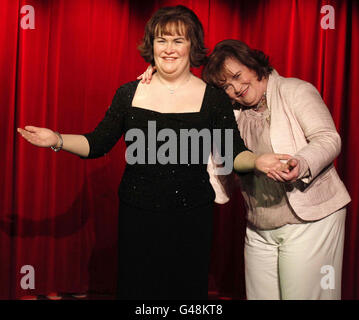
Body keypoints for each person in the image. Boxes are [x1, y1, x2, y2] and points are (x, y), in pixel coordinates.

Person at [17, 7, 292, 300]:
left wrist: (258, 161)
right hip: (138, 216)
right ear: (152, 46)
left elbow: (233, 154)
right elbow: (97, 143)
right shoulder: (129, 93)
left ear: (192, 46)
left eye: (178, 40)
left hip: (192, 219)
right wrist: (56, 139)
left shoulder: (213, 99)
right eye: (162, 40)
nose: (169, 49)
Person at [139, 39, 351, 300]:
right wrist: (157, 81)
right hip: (260, 224)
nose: (236, 88)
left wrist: (302, 162)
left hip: (310, 218)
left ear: (253, 64)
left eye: (237, 76)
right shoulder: (230, 114)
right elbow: (192, 117)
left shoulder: (295, 90)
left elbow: (328, 138)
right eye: (225, 86)